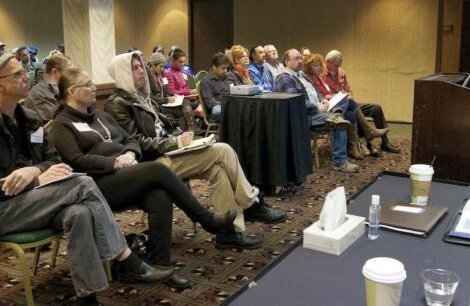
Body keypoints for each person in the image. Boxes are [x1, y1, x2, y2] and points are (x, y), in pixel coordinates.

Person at [0, 54, 171, 306]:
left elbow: (53, 160)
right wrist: (35, 180)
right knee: (83, 183)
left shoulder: (25, 116)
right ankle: (126, 259)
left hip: (26, 201)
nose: (27, 75)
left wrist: (35, 170)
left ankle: (88, 302)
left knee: (79, 212)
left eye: (23, 70)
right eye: (17, 74)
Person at [49, 67, 237, 275]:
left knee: (159, 196)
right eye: (88, 85)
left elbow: (130, 139)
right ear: (72, 92)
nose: (94, 88)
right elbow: (76, 160)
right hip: (96, 185)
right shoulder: (62, 125)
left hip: (124, 174)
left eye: (93, 84)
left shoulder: (100, 115)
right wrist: (113, 163)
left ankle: (161, 265)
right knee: (157, 169)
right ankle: (206, 219)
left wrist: (130, 154)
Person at [105, 51, 286, 249]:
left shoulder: (140, 96)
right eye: (134, 68)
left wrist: (180, 137)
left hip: (167, 153)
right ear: (122, 73)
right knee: (223, 150)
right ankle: (252, 202)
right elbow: (137, 143)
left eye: (140, 66)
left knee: (219, 170)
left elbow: (163, 127)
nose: (141, 71)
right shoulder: (117, 104)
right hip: (151, 165)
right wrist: (175, 142)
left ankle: (228, 231)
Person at [273, 49, 358, 172]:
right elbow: (296, 102)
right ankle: (340, 162)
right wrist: (317, 107)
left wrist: (322, 100)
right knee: (339, 123)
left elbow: (315, 93)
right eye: (296, 58)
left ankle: (335, 115)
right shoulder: (284, 78)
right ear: (286, 61)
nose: (300, 61)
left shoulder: (299, 76)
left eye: (300, 58)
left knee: (344, 100)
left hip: (316, 111)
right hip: (303, 117)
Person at [322, 49, 398, 153]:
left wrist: (349, 95)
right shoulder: (320, 74)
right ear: (327, 62)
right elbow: (323, 95)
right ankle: (367, 143)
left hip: (349, 102)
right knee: (353, 113)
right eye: (335, 65)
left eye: (340, 65)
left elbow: (348, 89)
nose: (338, 68)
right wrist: (340, 97)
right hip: (335, 107)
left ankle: (385, 143)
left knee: (376, 108)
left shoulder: (341, 72)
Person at [305, 52, 370, 160]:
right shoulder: (313, 78)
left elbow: (347, 89)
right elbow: (321, 95)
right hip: (321, 109)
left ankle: (356, 146)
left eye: (319, 65)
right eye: (316, 65)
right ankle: (366, 134)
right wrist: (328, 98)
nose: (319, 68)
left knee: (352, 113)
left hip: (332, 103)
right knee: (345, 112)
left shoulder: (332, 74)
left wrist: (346, 95)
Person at [22, 53, 69, 126]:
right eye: (69, 72)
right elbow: (57, 123)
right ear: (55, 72)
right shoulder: (40, 93)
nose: (72, 76)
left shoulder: (55, 89)